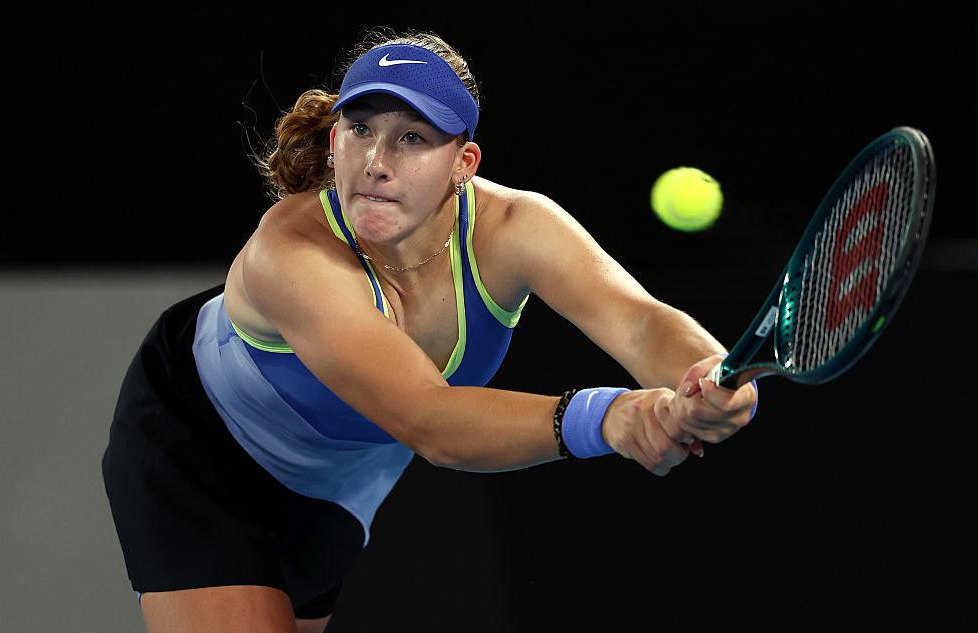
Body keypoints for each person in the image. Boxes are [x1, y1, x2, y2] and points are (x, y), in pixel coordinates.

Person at [102, 28, 759, 633]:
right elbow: (430, 421)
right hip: (199, 450)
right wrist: (611, 416)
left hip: (340, 485)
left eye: (412, 138)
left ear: (463, 162)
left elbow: (639, 321)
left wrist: (707, 376)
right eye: (360, 129)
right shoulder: (291, 252)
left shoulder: (515, 228)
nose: (376, 161)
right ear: (333, 142)